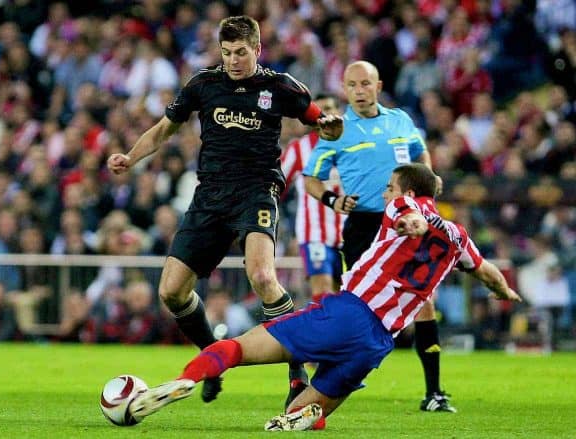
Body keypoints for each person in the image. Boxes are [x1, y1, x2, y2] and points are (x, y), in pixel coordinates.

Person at [127, 163, 522, 431]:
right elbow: (486, 272)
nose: (385, 195)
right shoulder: (459, 237)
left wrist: (414, 223)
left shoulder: (406, 204)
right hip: (377, 345)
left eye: (388, 187)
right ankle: (306, 415)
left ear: (410, 191)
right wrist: (505, 290)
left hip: (349, 314)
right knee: (300, 414)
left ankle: (181, 381)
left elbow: (411, 216)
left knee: (236, 348)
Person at [106, 15, 342, 407]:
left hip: (256, 191)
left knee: (263, 276)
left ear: (258, 50)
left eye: (241, 52)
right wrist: (131, 158)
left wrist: (331, 127)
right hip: (210, 196)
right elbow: (165, 128)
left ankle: (297, 373)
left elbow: (321, 121)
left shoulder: (280, 87)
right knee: (171, 292)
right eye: (227, 52)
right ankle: (212, 356)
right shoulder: (203, 84)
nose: (233, 60)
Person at [302, 61, 453, 412]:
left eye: (365, 83)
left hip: (406, 221)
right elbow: (312, 178)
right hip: (364, 224)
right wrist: (333, 199)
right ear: (344, 89)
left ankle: (434, 392)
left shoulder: (399, 120)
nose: (359, 90)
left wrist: (427, 177)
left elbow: (420, 153)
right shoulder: (336, 130)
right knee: (357, 306)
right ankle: (330, 376)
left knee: (422, 301)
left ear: (378, 85)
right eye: (352, 85)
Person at [280, 94, 345, 304]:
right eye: (320, 110)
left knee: (346, 293)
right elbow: (276, 185)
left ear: (339, 113)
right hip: (314, 233)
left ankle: (340, 336)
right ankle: (325, 335)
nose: (325, 115)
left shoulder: (353, 146)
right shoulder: (299, 149)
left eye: (329, 108)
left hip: (349, 234)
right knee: (323, 291)